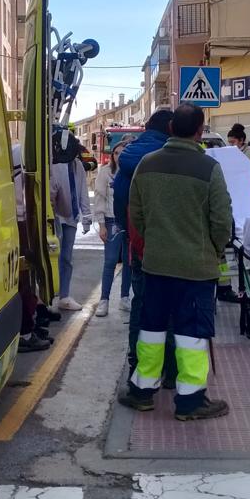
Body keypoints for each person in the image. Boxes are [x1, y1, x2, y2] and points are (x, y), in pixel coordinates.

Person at [118, 104, 232, 421]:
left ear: (170, 129)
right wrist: (214, 250)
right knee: (191, 335)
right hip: (195, 269)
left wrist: (152, 245)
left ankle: (142, 392)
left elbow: (136, 215)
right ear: (200, 131)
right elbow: (222, 220)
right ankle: (190, 401)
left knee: (151, 330)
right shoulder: (208, 168)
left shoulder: (146, 165)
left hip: (155, 265)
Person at [114, 109, 177, 376]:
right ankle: (170, 369)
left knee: (141, 304)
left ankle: (136, 363)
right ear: (171, 129)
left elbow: (120, 199)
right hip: (173, 244)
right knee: (174, 306)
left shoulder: (128, 158)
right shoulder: (172, 157)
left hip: (139, 244)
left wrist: (129, 231)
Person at [13, 144, 51, 351]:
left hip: (21, 224)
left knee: (27, 283)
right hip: (20, 225)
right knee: (23, 283)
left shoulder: (15, 164)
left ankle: (31, 327)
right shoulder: (21, 170)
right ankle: (26, 333)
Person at [94, 139, 133, 317]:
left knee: (129, 261)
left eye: (122, 153)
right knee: (110, 261)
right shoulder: (105, 172)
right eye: (116, 153)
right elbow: (99, 198)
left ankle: (125, 298)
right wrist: (101, 225)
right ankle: (104, 300)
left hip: (130, 222)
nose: (118, 157)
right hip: (112, 221)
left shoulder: (132, 172)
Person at [51, 145, 92, 311]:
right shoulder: (52, 164)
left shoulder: (77, 165)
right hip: (53, 217)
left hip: (70, 218)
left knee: (66, 257)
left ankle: (64, 296)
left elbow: (82, 190)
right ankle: (46, 297)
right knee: (51, 256)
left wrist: (87, 217)